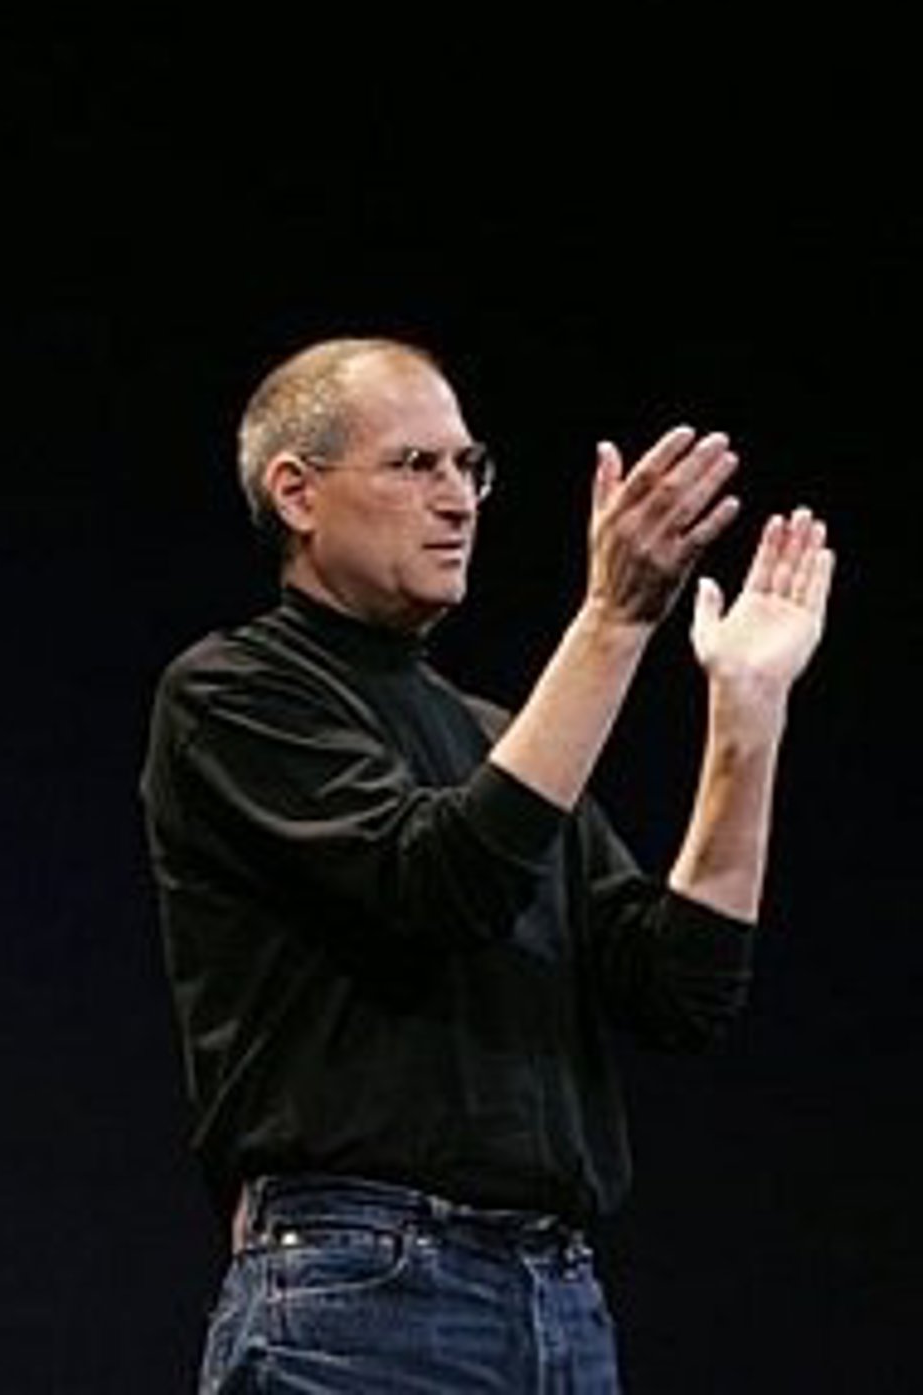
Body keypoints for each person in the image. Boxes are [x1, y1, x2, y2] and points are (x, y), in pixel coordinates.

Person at [139, 336, 833, 1392]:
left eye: (471, 466)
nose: (458, 498)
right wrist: (613, 621)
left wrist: (749, 715)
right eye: (415, 463)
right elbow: (437, 885)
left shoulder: (492, 736)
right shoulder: (233, 694)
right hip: (362, 1291)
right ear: (297, 492)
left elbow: (679, 989)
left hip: (556, 1294)